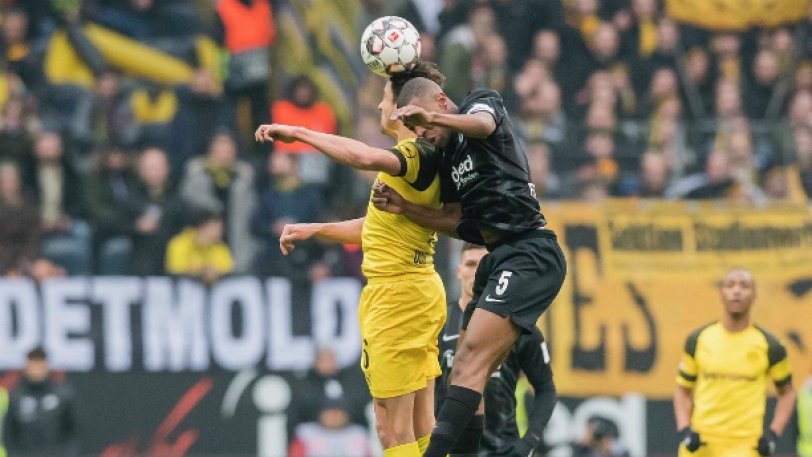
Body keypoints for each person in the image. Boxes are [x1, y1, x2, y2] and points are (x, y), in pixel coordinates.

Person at [256, 62, 448, 457]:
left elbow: (361, 157)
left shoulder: (414, 155)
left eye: (384, 99)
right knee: (421, 423)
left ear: (403, 110)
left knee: (392, 428)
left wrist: (300, 133)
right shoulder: (422, 161)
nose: (379, 106)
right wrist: (316, 229)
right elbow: (378, 229)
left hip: (397, 297)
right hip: (415, 290)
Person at [372, 76, 567, 457]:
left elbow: (483, 124)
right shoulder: (447, 158)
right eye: (417, 131)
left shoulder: (481, 103)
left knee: (470, 361)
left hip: (530, 251)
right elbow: (454, 220)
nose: (424, 134)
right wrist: (406, 208)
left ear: (442, 101)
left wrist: (432, 118)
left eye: (424, 125)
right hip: (499, 258)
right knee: (463, 371)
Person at [437, 242, 556, 457]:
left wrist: (528, 442)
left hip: (502, 449)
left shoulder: (516, 324)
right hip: (450, 450)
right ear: (459, 271)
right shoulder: (437, 324)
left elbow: (546, 388)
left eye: (485, 265)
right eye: (470, 264)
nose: (477, 272)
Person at [674, 267, 797, 457]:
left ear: (754, 295)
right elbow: (682, 391)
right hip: (703, 444)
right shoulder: (698, 339)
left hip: (746, 445)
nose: (737, 291)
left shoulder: (770, 345)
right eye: (730, 285)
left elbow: (787, 393)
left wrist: (772, 435)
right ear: (721, 293)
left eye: (744, 286)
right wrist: (685, 430)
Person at [3, 347, 79, 457]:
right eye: (33, 365)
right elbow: (9, 433)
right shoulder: (16, 396)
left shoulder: (62, 395)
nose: (36, 370)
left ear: (46, 366)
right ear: (26, 367)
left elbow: (73, 431)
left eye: (39, 365)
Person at [165, 210, 234, 283]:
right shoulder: (179, 243)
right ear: (202, 226)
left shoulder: (220, 247)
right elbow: (175, 268)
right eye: (215, 228)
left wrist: (215, 272)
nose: (219, 233)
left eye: (220, 230)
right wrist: (201, 270)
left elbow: (227, 268)